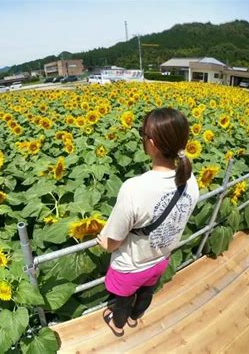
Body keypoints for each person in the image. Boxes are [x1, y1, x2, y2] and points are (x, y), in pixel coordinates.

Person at [96, 107, 200, 337]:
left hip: (131, 265)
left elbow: (113, 240)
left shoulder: (134, 188)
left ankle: (119, 324)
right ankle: (135, 317)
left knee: (122, 300)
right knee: (146, 293)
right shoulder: (191, 180)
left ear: (151, 143)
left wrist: (104, 244)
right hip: (160, 258)